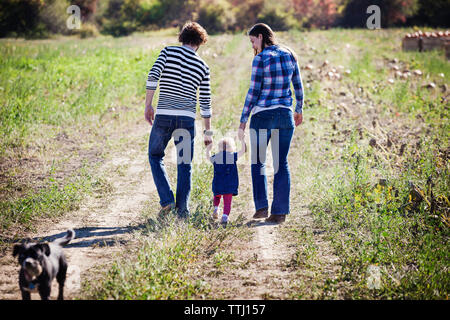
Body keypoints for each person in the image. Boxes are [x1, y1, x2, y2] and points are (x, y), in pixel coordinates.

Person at [145, 22, 213, 218]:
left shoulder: (167, 53)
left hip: (164, 115)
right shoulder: (203, 66)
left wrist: (148, 105)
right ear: (200, 43)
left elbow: (152, 76)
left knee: (155, 156)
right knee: (185, 164)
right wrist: (207, 133)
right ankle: (182, 211)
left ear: (181, 37)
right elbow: (206, 103)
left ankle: (167, 201)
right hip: (186, 120)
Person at [238, 23, 304, 224]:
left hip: (262, 116)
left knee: (258, 162)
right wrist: (299, 109)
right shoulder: (290, 53)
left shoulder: (260, 58)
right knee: (280, 163)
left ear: (260, 36)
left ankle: (261, 207)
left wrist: (243, 119)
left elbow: (254, 91)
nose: (253, 46)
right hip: (285, 116)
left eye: (252, 41)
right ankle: (280, 212)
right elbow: (298, 85)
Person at [207, 137, 246, 226]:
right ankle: (224, 217)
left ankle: (216, 208)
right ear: (231, 147)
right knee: (227, 202)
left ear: (219, 148)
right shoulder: (232, 156)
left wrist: (208, 148)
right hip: (229, 185)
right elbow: (243, 151)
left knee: (217, 196)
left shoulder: (216, 157)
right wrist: (242, 140)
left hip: (218, 184)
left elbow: (208, 157)